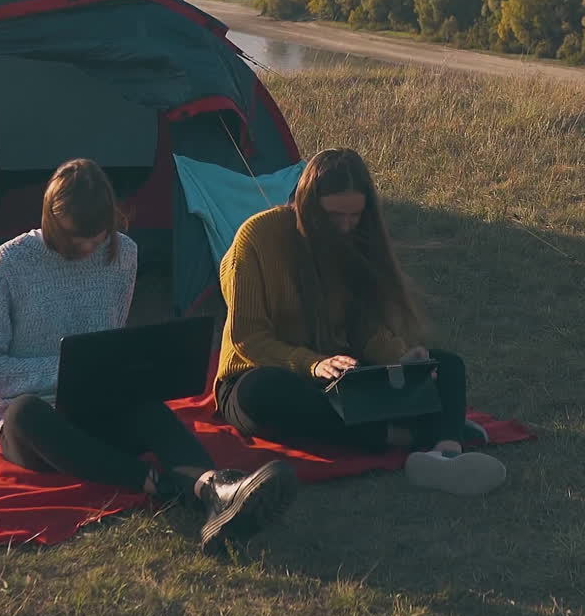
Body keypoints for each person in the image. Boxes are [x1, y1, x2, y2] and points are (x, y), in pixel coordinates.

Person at [0, 158, 296, 552]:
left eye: (98, 235)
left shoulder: (122, 254)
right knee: (24, 411)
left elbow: (109, 342)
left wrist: (121, 371)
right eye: (75, 238)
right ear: (52, 220)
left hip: (98, 407)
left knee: (148, 408)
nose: (88, 248)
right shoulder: (9, 263)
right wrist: (65, 371)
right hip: (38, 429)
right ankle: (161, 484)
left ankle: (215, 487)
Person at [216, 148, 506, 497]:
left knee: (446, 365)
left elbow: (362, 329)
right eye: (334, 215)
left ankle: (445, 454)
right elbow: (248, 338)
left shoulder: (356, 239)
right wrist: (314, 364)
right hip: (264, 373)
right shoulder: (258, 237)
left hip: (341, 376)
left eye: (355, 215)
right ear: (308, 205)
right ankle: (416, 435)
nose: (345, 225)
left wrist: (399, 358)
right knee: (262, 393)